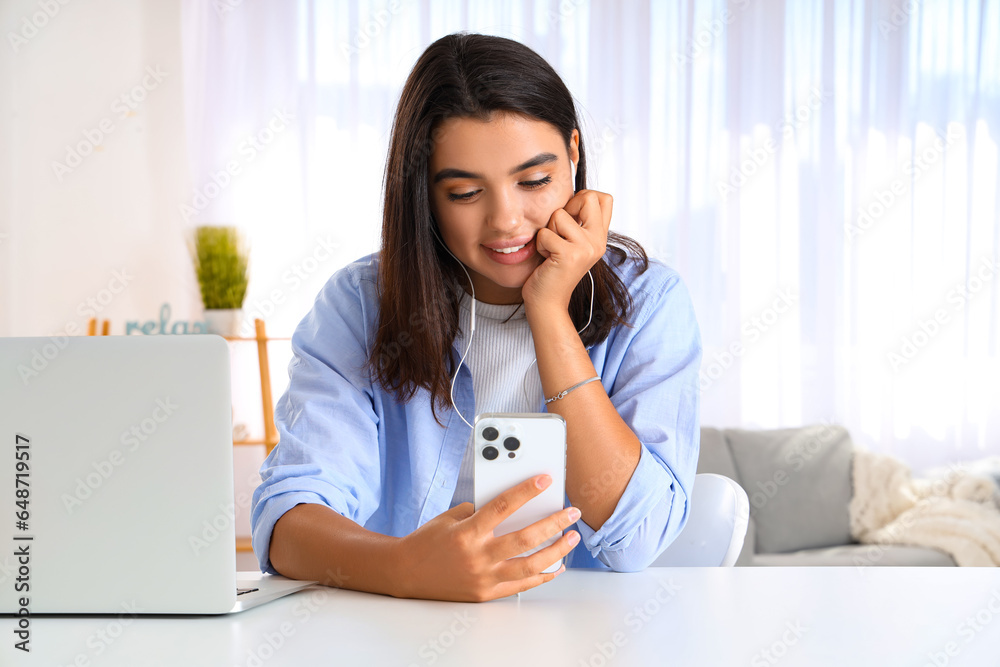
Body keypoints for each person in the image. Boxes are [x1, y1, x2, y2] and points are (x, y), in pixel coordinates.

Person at [250, 32, 702, 603]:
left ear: (573, 152)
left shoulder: (649, 300)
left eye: (535, 181)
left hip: (588, 633)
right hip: (402, 631)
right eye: (465, 192)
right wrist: (404, 569)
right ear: (424, 194)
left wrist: (549, 313)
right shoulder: (360, 304)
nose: (507, 221)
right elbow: (287, 524)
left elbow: (635, 540)